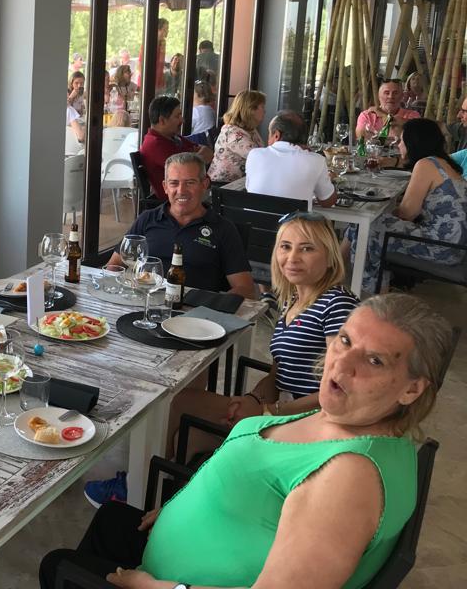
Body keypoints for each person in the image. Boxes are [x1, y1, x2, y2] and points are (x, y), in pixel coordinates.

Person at [42, 293, 453, 589]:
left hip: (171, 583)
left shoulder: (348, 479)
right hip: (177, 550)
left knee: (58, 564)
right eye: (344, 340)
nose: (341, 365)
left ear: (411, 389)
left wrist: (159, 587)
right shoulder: (350, 418)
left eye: (374, 360)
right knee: (111, 519)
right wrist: (179, 508)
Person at [157, 212, 358, 465]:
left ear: (330, 257)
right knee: (185, 417)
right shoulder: (295, 301)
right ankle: (172, 484)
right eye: (285, 247)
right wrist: (252, 400)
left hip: (311, 424)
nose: (292, 258)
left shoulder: (337, 304)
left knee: (185, 414)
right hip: (282, 408)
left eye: (307, 248)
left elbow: (342, 389)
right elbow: (278, 373)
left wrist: (270, 411)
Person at [108, 153, 254, 298]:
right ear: (165, 187)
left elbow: (245, 288)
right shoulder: (147, 219)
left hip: (195, 308)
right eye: (174, 183)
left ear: (204, 184)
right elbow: (114, 266)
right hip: (145, 301)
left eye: (190, 182)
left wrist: (214, 305)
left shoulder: (223, 228)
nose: (181, 191)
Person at [348, 117, 467, 294]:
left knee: (369, 226)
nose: (399, 145)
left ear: (413, 143)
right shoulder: (444, 163)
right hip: (455, 245)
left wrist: (386, 208)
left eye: (401, 140)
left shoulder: (426, 164)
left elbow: (407, 213)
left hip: (442, 248)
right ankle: (345, 274)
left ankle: (375, 292)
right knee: (365, 223)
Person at [246, 110, 338, 207]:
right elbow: (327, 202)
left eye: (269, 133)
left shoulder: (254, 155)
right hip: (294, 217)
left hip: (255, 216)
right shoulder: (316, 161)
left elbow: (251, 189)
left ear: (276, 135)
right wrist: (329, 180)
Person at [137, 96, 212, 200]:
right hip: (180, 199)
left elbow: (209, 152)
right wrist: (198, 159)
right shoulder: (155, 144)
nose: (182, 120)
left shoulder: (174, 138)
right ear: (162, 120)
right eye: (177, 116)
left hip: (196, 192)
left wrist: (194, 160)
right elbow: (187, 170)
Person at [207, 89, 266, 184]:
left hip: (237, 184)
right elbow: (258, 157)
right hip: (222, 185)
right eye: (262, 107)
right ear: (251, 109)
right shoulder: (232, 132)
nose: (265, 111)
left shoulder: (251, 129)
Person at [355, 77, 420, 140]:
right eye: (386, 93)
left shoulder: (413, 115)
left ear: (402, 96)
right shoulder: (367, 115)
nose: (391, 96)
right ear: (379, 96)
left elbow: (411, 139)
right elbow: (362, 138)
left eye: (395, 93)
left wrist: (383, 115)